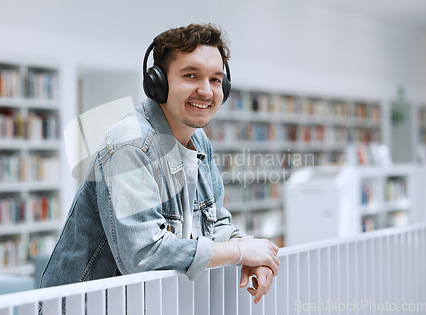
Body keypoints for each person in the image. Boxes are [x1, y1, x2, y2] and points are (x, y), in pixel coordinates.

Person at [40, 23, 280, 304]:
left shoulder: (200, 142)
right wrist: (239, 253)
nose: (206, 91)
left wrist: (254, 251)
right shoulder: (128, 144)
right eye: (191, 76)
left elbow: (215, 227)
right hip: (88, 307)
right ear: (158, 83)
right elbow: (143, 254)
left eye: (216, 79)